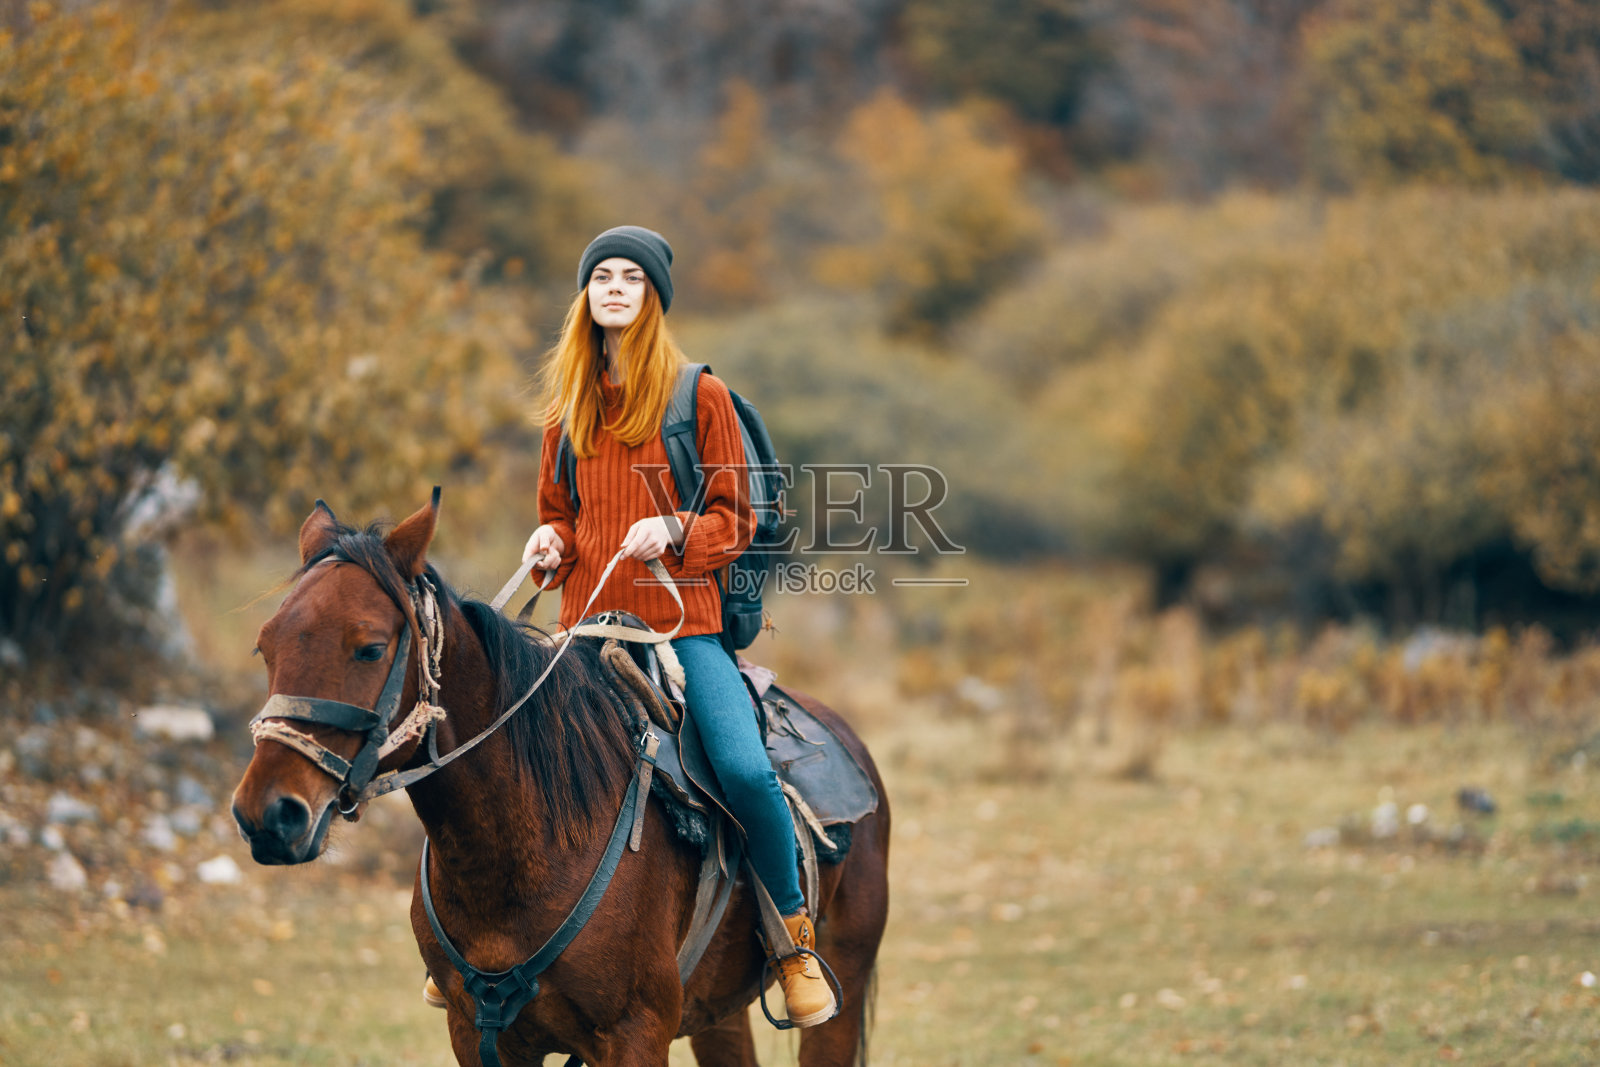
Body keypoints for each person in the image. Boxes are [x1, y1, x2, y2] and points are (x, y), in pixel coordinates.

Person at [425, 225, 835, 1026]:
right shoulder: (567, 409)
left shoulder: (697, 397)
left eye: (630, 278)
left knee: (746, 773)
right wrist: (550, 542)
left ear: (654, 297)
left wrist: (677, 529)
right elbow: (562, 518)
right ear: (585, 295)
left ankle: (792, 944)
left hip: (682, 631)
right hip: (581, 633)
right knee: (477, 754)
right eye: (601, 276)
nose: (613, 287)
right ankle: (457, 945)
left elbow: (737, 518)